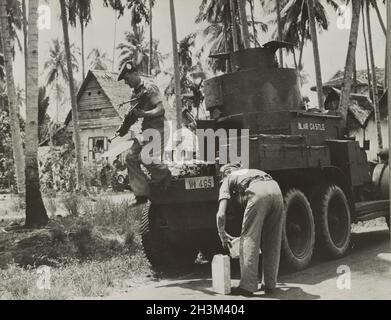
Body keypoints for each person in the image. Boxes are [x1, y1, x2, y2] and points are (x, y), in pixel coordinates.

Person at [216, 163, 284, 296]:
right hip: (276, 190)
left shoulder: (228, 178)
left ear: (224, 174)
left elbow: (221, 214)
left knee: (249, 237)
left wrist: (222, 233)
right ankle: (270, 285)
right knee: (272, 240)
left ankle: (247, 287)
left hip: (258, 192)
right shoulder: (252, 171)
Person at [117, 61, 171, 205]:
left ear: (135, 74)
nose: (127, 82)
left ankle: (164, 175)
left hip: (159, 128)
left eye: (127, 78)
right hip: (146, 131)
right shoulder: (133, 93)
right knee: (130, 157)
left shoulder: (149, 87)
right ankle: (141, 195)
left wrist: (144, 114)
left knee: (145, 157)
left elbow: (161, 110)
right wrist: (124, 126)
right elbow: (134, 115)